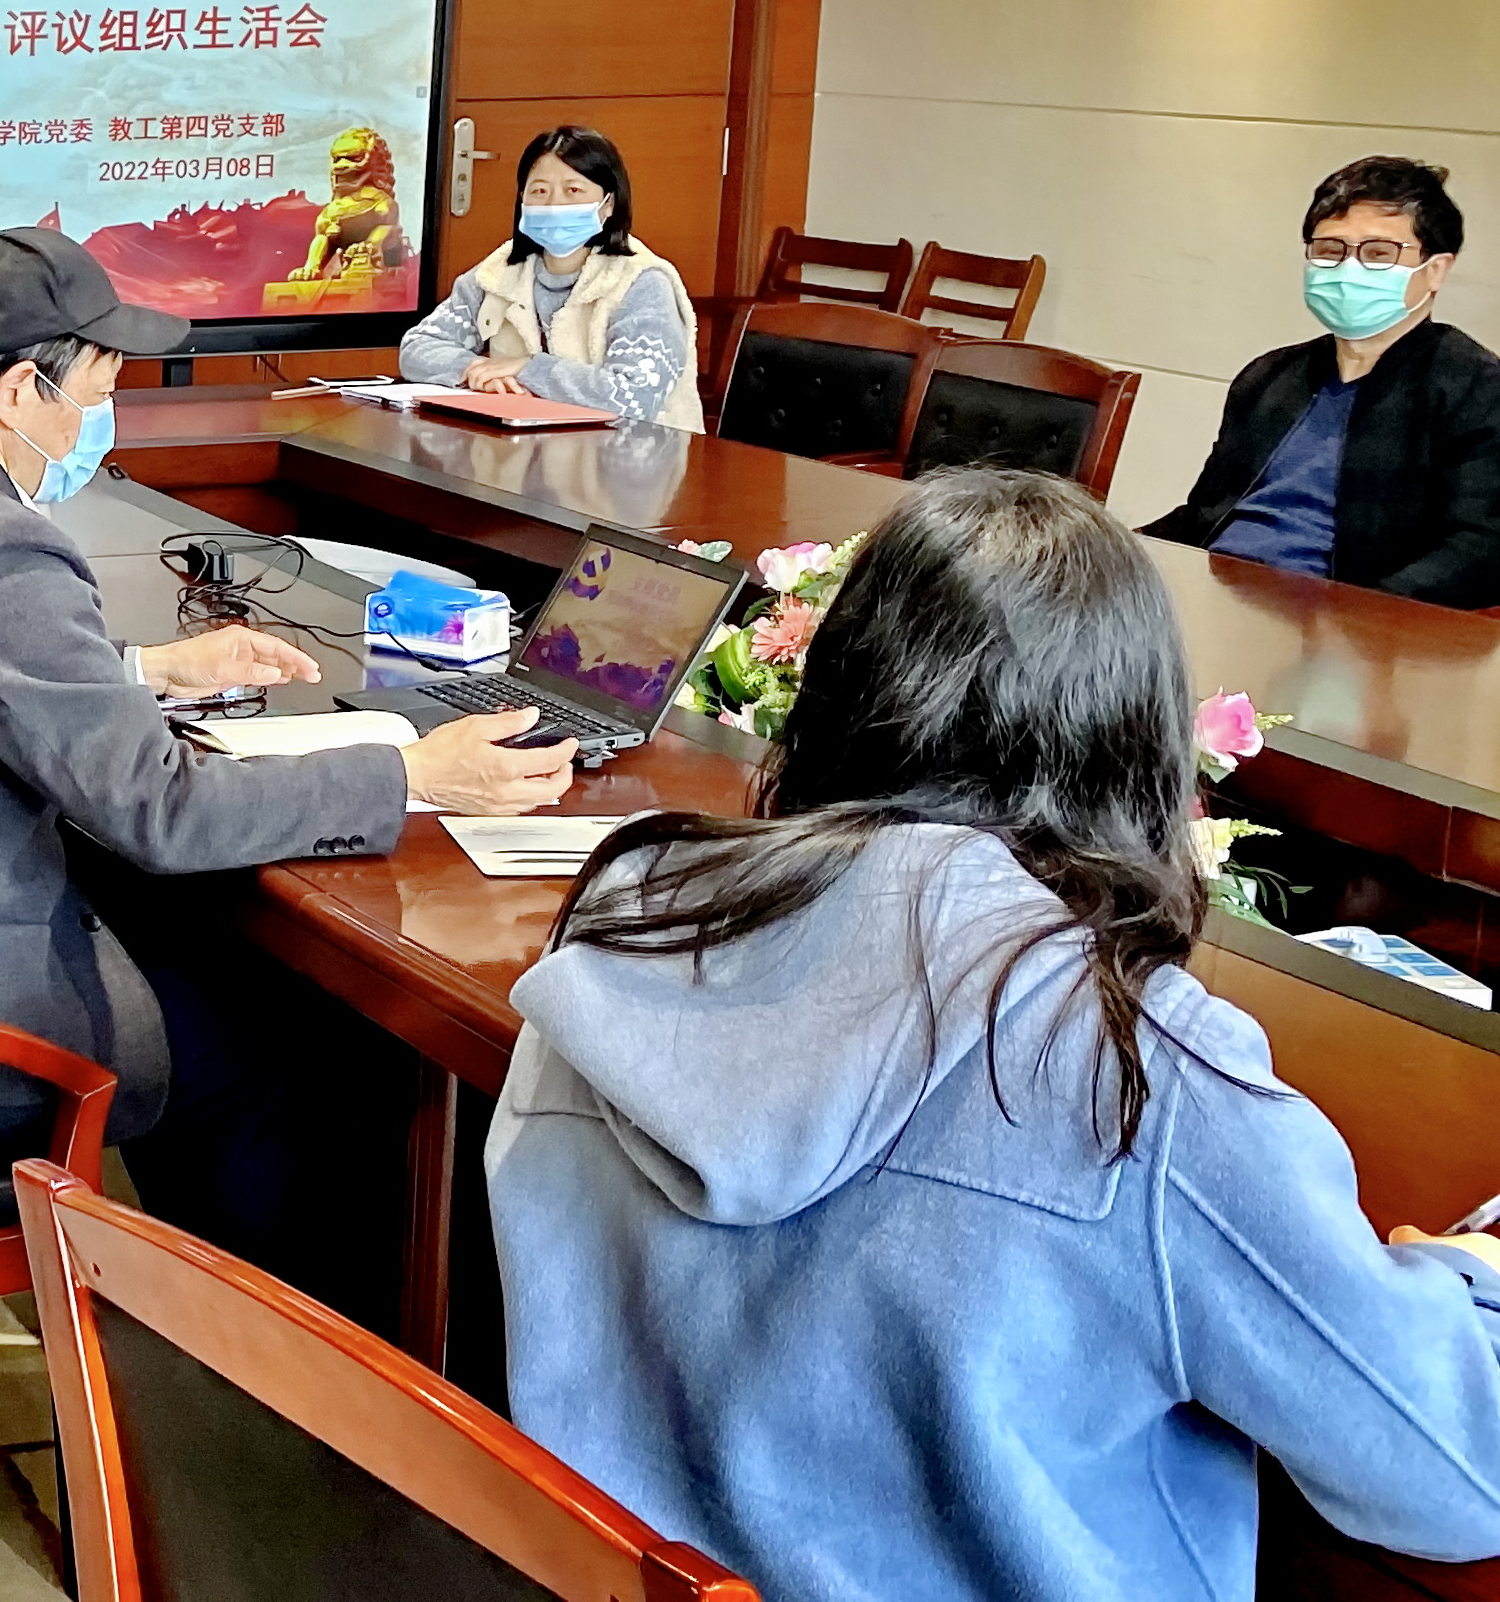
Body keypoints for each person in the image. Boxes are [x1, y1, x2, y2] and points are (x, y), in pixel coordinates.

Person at [492, 468, 1500, 1600]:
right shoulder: (1139, 1075)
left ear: (835, 690)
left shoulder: (624, 932)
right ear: (1139, 750)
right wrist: (1472, 1277)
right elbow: (1456, 1475)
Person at [0, 226, 577, 1278]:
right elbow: (161, 812)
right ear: (20, 393)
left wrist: (143, 668)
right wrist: (413, 772)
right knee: (291, 1039)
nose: (106, 411)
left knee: (197, 966)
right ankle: (258, 1342)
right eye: (100, 385)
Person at [1143, 156, 1500, 608]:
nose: (1349, 268)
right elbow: (1203, 516)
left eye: (1378, 253)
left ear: (1435, 270)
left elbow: (1480, 549)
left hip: (1346, 619)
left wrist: (1358, 616)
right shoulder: (1269, 376)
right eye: (1331, 250)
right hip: (1218, 594)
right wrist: (1117, 554)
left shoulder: (1475, 388)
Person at [398, 123, 703, 428]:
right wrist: (477, 369)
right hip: (523, 448)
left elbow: (635, 395)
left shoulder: (642, 281)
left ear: (608, 203)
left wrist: (528, 369)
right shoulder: (500, 272)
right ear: (522, 199)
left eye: (573, 190)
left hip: (629, 451)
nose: (555, 204)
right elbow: (418, 346)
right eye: (540, 191)